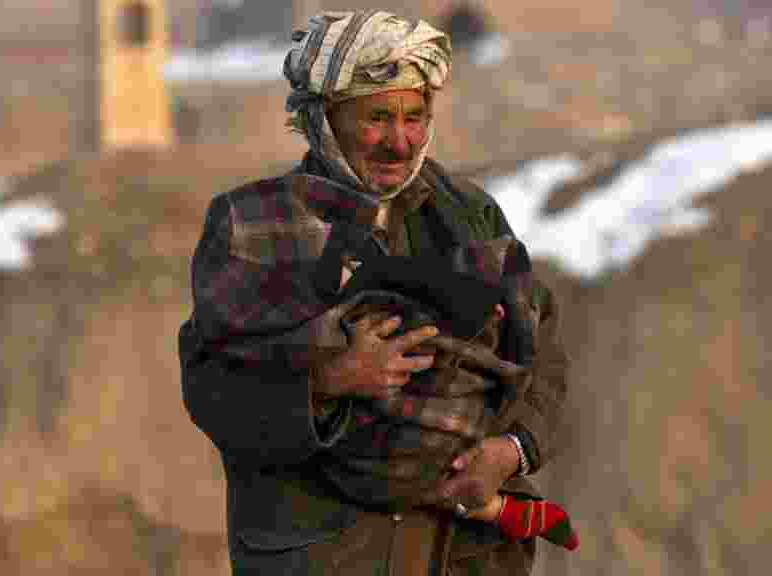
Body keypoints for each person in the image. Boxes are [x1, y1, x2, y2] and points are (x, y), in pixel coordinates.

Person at [179, 10, 572, 575]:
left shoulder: (468, 214)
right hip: (324, 556)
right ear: (325, 119)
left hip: (460, 554)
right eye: (377, 118)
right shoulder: (252, 226)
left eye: (415, 116)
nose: (400, 141)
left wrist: (512, 450)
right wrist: (331, 378)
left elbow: (542, 348)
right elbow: (211, 389)